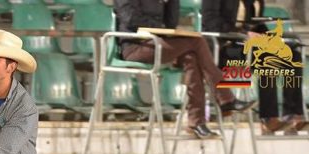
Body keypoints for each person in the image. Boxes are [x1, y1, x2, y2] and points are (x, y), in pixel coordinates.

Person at [115, 0, 255, 138]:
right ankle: (225, 98)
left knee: (192, 57)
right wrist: (160, 26)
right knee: (197, 42)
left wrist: (171, 3)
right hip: (135, 46)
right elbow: (130, 18)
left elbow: (171, 23)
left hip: (159, 43)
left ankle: (197, 122)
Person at [238, 0, 307, 134]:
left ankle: (292, 114)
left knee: (293, 56)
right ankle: (268, 118)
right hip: (232, 46)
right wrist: (246, 33)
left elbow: (257, 25)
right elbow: (214, 24)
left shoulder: (257, 2)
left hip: (255, 45)